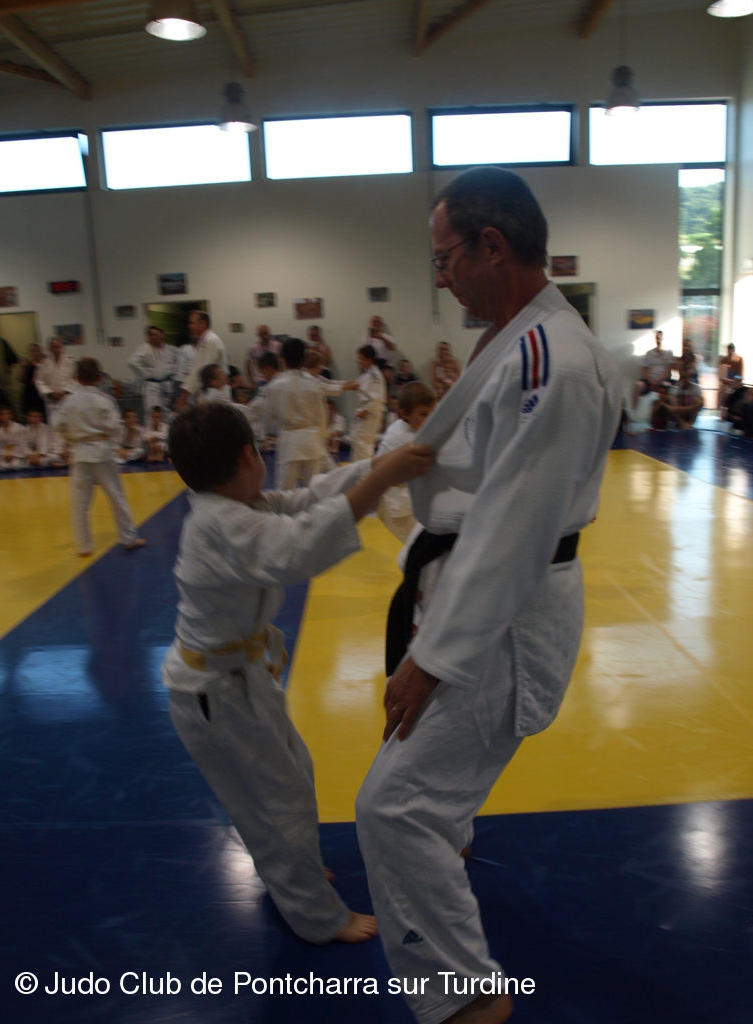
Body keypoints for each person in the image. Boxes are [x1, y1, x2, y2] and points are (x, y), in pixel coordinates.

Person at [355, 166, 621, 1024]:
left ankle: (466, 996)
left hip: (505, 613)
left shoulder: (553, 359)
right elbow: (472, 480)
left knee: (392, 808)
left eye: (444, 260)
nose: (441, 278)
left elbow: (514, 528)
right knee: (423, 799)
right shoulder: (512, 341)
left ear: (492, 246)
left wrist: (432, 658)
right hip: (469, 590)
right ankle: (450, 852)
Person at [161, 402, 432, 946]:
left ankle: (292, 868)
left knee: (291, 778)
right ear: (248, 455)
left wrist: (377, 466)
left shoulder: (238, 505)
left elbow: (309, 501)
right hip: (215, 693)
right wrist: (382, 478)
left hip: (239, 678)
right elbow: (298, 547)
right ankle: (316, 916)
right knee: (274, 801)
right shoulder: (218, 525)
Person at [53, 358, 146, 557]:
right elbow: (114, 428)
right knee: (117, 497)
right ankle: (129, 538)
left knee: (80, 504)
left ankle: (84, 547)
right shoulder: (104, 400)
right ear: (99, 377)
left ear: (76, 378)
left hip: (80, 452)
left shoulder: (68, 401)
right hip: (102, 452)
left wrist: (73, 438)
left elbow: (57, 425)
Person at [263, 338, 352, 489]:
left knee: (286, 490)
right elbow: (321, 415)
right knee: (313, 488)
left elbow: (270, 418)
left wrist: (271, 436)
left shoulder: (274, 386)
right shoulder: (313, 385)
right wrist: (323, 437)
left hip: (289, 441)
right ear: (303, 360)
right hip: (312, 440)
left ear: (282, 359)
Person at [376, 382, 437, 543]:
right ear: (404, 414)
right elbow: (377, 470)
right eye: (423, 414)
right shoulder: (398, 435)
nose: (430, 419)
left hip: (410, 498)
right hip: (398, 503)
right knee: (413, 544)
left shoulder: (417, 429)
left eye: (433, 412)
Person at [128, 325, 178, 418]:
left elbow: (179, 363)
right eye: (153, 335)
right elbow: (132, 362)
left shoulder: (170, 349)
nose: (156, 337)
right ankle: (152, 427)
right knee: (152, 411)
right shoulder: (144, 348)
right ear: (148, 336)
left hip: (167, 384)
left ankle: (166, 427)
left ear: (162, 335)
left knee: (168, 412)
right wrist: (145, 374)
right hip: (152, 385)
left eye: (158, 334)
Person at [178, 311, 228, 405]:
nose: (189, 326)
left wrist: (186, 393)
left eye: (192, 323)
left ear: (203, 324)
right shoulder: (205, 341)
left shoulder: (211, 341)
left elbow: (203, 369)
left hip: (216, 390)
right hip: (210, 389)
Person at [349, 345, 386, 461]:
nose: (358, 361)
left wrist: (366, 410)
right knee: (359, 442)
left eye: (361, 358)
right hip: (365, 412)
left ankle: (365, 470)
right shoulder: (367, 374)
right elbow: (357, 386)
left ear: (370, 360)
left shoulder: (375, 375)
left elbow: (376, 397)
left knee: (363, 443)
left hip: (370, 414)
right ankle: (359, 469)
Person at [631, 330, 673, 409]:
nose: (658, 340)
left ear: (663, 338)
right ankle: (634, 411)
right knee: (637, 384)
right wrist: (651, 381)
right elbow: (644, 369)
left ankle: (666, 412)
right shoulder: (649, 353)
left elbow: (668, 371)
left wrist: (658, 381)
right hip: (650, 380)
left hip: (663, 380)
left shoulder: (669, 353)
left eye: (659, 338)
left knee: (668, 387)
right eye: (656, 338)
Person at [35, 337, 76, 414]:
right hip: (52, 399)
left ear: (62, 348)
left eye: (58, 347)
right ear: (49, 349)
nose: (56, 349)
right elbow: (39, 380)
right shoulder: (44, 363)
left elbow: (75, 379)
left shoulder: (71, 362)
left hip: (68, 397)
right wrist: (50, 392)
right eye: (53, 347)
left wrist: (66, 392)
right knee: (54, 419)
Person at [0, 404, 25, 470]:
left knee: (16, 464)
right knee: (1, 466)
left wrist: (14, 454)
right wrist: (2, 455)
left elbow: (23, 443)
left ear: (11, 415)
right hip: (2, 456)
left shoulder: (19, 427)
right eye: (1, 414)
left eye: (7, 413)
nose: (5, 416)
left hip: (17, 455)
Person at [246, 324, 281, 390]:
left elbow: (282, 362)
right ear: (258, 335)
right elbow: (248, 366)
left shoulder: (277, 346)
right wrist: (251, 382)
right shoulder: (253, 348)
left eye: (266, 333)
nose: (265, 336)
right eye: (263, 333)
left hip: (275, 378)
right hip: (260, 379)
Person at [20, 342, 46, 417]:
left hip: (41, 392)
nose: (35, 353)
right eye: (33, 351)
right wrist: (23, 367)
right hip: (30, 392)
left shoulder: (45, 364)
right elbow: (21, 379)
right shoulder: (28, 364)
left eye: (37, 351)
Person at [719, 343, 744, 419]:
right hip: (727, 384)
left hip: (736, 384)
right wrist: (731, 382)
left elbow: (740, 375)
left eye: (731, 350)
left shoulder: (739, 359)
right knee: (724, 394)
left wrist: (735, 383)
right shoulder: (724, 360)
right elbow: (722, 377)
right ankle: (724, 415)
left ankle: (734, 414)